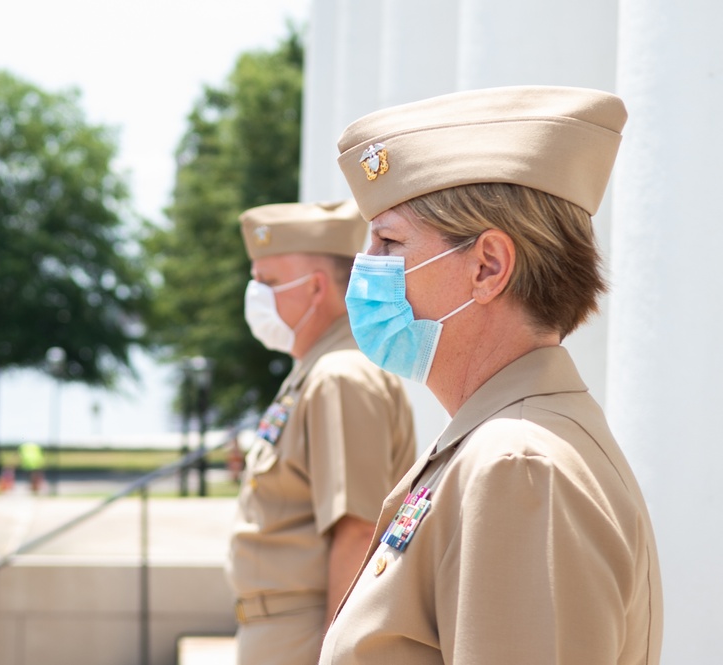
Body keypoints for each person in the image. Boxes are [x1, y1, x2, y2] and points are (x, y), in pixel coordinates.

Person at [319, 86, 663, 664]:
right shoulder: (499, 446)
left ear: (488, 267)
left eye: (389, 242)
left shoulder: (518, 467)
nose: (365, 269)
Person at [227, 200, 417, 665]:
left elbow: (355, 532)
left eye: (269, 282)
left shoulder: (340, 377)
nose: (256, 295)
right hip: (284, 629)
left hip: (304, 634)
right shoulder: (314, 373)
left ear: (315, 289)